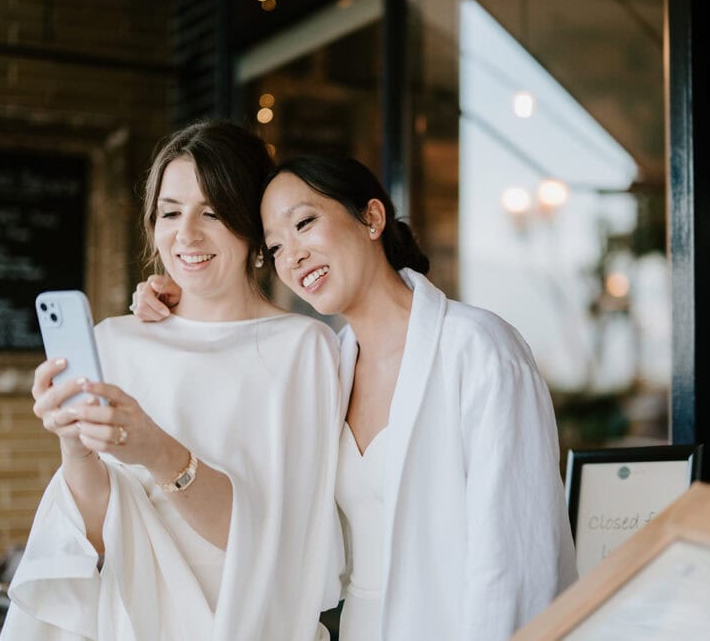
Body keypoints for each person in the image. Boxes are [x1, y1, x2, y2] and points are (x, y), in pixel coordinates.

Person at [134, 153, 578, 640]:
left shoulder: (479, 348)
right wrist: (182, 306)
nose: (294, 256)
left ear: (371, 217)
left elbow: (517, 559)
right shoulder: (329, 365)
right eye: (276, 247)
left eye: (305, 223)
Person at [2, 122, 343, 641]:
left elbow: (280, 543)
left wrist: (157, 451)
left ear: (253, 228)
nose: (187, 234)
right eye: (170, 212)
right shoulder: (113, 340)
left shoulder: (303, 349)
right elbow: (94, 536)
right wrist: (75, 445)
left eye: (211, 212)